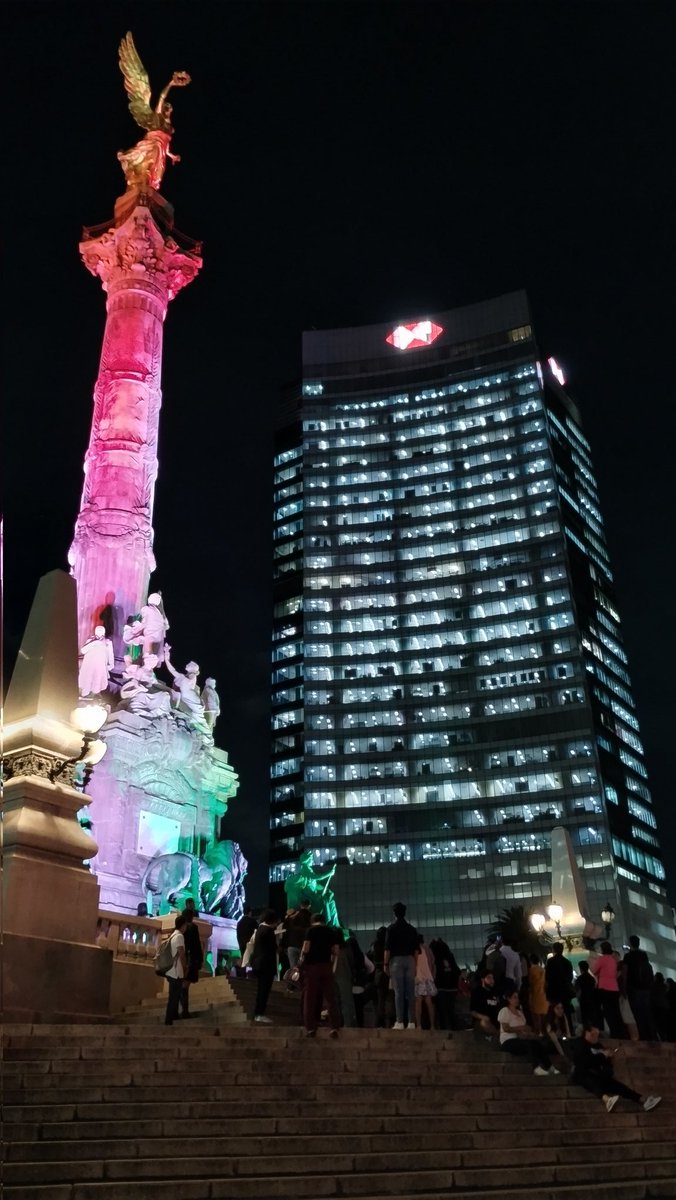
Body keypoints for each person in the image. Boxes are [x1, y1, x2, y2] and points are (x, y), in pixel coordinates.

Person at [571, 1024, 661, 1112]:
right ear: (587, 1033)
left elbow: (606, 1064)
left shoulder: (598, 1046)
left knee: (618, 1086)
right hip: (583, 1073)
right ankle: (606, 1099)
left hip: (599, 1074)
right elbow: (583, 1062)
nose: (596, 1038)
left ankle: (643, 1100)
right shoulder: (580, 1043)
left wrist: (608, 1058)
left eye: (597, 1035)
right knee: (589, 1079)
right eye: (594, 1035)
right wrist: (602, 1056)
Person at [497, 989, 559, 1075]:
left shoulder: (520, 1013)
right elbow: (506, 1028)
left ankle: (550, 1067)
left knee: (536, 1043)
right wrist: (521, 1028)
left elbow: (525, 1029)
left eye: (517, 997)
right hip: (508, 1041)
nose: (517, 1000)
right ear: (508, 999)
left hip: (521, 1038)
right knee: (528, 1044)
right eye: (514, 997)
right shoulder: (505, 1010)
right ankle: (536, 1067)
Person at [299, 913, 341, 1038]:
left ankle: (310, 1028)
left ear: (313, 921)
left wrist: (301, 960)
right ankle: (334, 1027)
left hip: (312, 967)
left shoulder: (310, 931)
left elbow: (306, 948)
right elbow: (336, 951)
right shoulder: (330, 932)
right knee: (330, 998)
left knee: (309, 998)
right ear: (323, 921)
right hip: (326, 966)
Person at [383, 902, 419, 1029]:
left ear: (394, 914)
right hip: (410, 960)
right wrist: (415, 965)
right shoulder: (412, 929)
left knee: (399, 992)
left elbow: (387, 949)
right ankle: (411, 1022)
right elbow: (416, 950)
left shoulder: (391, 929)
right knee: (410, 992)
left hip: (397, 961)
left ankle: (399, 1021)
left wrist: (386, 964)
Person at [623, 935, 656, 1040]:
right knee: (647, 1012)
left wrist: (623, 988)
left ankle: (643, 1036)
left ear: (630, 944)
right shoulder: (643, 955)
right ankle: (652, 1035)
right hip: (645, 988)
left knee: (637, 1013)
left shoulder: (628, 956)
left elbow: (625, 972)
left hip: (634, 987)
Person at [590, 943, 624, 1039]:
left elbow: (593, 970)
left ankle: (613, 1033)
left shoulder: (602, 959)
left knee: (608, 1011)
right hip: (614, 988)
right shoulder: (613, 959)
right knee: (616, 1012)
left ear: (602, 949)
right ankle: (620, 1032)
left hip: (605, 988)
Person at [250, 909, 279, 1024]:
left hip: (258, 963)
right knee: (264, 990)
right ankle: (259, 1013)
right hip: (266, 965)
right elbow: (273, 948)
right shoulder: (268, 931)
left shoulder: (260, 929)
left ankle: (257, 1013)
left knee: (261, 989)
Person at [179, 905, 203, 1019]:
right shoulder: (193, 928)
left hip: (181, 959)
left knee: (183, 985)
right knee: (185, 986)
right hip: (190, 960)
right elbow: (197, 945)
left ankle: (183, 1009)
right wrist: (199, 960)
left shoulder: (180, 929)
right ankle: (184, 1010)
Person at [429, 938, 460, 1030]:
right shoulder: (450, 956)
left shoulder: (435, 957)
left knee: (442, 1011)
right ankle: (453, 1028)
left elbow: (434, 972)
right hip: (452, 987)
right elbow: (456, 971)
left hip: (441, 987)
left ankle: (444, 1028)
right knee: (450, 1010)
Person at [164, 914, 188, 1027]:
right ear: (183, 925)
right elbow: (181, 954)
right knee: (174, 997)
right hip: (176, 971)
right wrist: (185, 967)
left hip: (170, 970)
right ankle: (169, 1020)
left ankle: (172, 1017)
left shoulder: (172, 936)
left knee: (173, 996)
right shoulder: (179, 936)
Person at [78, 625, 114, 696]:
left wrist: (111, 665)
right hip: (89, 665)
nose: (99, 632)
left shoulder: (108, 642)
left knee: (97, 684)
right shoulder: (90, 641)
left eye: (101, 631)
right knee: (87, 682)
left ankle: (94, 697)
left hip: (100, 666)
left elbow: (110, 655)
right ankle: (84, 696)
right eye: (98, 631)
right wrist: (95, 642)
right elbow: (83, 650)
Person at [368, 926, 391, 1028]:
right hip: (388, 973)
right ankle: (390, 1020)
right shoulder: (388, 945)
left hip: (378, 974)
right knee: (390, 998)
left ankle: (379, 1021)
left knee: (380, 999)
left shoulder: (374, 945)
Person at [414, 934, 437, 1030]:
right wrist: (432, 977)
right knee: (429, 1002)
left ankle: (418, 1025)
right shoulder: (428, 949)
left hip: (418, 978)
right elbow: (433, 964)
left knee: (418, 1001)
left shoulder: (414, 949)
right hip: (429, 978)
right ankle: (432, 1025)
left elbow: (413, 963)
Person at [545, 943, 574, 1017]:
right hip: (565, 992)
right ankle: (568, 1027)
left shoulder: (550, 961)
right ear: (562, 950)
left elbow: (547, 977)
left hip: (554, 992)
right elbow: (570, 978)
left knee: (555, 1014)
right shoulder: (567, 962)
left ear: (553, 950)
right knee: (566, 1013)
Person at [470, 970, 501, 1035]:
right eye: (489, 978)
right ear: (482, 979)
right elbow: (472, 1012)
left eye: (492, 978)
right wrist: (483, 1017)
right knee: (484, 1023)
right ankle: (499, 1035)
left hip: (495, 1020)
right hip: (481, 1020)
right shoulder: (477, 992)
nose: (492, 980)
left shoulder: (495, 991)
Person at [286, 900, 312, 969]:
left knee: (293, 969)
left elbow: (286, 932)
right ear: (309, 906)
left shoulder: (291, 919)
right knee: (304, 968)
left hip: (291, 945)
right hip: (303, 946)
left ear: (300, 906)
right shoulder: (311, 917)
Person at [575, 959, 600, 1028]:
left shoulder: (579, 979)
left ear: (580, 968)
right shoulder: (591, 978)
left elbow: (577, 990)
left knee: (585, 1017)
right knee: (592, 1016)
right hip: (592, 999)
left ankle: (586, 1031)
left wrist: (578, 998)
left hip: (583, 999)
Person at [527, 954, 548, 1035]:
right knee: (544, 1017)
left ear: (531, 961)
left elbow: (530, 984)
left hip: (534, 995)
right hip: (543, 995)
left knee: (536, 1017)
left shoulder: (531, 971)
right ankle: (545, 1033)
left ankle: (537, 1034)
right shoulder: (543, 970)